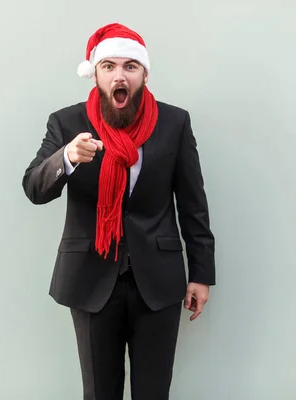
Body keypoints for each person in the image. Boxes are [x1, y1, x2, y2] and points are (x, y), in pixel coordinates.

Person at [22, 22, 215, 400]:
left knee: (154, 393)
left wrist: (201, 275)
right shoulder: (67, 123)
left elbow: (193, 205)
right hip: (90, 280)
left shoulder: (175, 123)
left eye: (130, 66)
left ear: (144, 74)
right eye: (108, 66)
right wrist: (66, 158)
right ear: (95, 73)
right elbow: (34, 188)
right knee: (99, 393)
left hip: (157, 282)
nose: (119, 74)